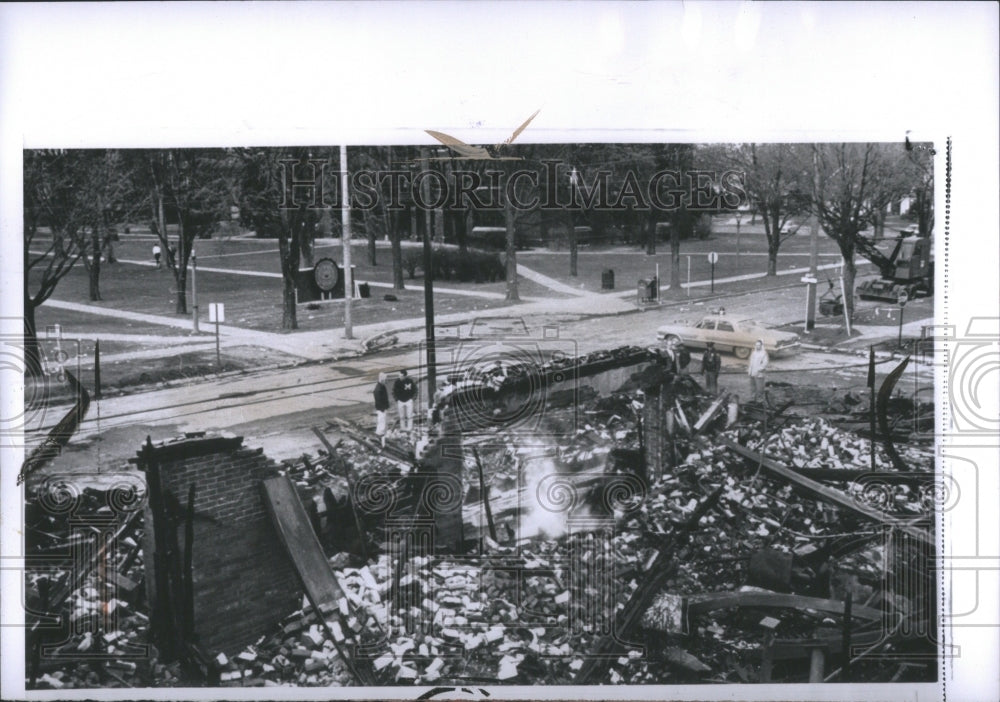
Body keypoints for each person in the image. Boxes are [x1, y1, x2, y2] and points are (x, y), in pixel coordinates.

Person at [392, 369, 417, 433]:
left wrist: (413, 398)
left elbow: (415, 389)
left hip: (409, 400)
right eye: (399, 375)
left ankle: (409, 428)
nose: (400, 377)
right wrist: (396, 399)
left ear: (405, 376)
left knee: (410, 416)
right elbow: (393, 391)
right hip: (400, 401)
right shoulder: (397, 382)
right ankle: (403, 428)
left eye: (401, 376)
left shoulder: (410, 381)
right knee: (401, 416)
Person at [373, 372, 390, 448]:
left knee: (382, 424)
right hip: (381, 409)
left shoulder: (381, 386)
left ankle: (380, 438)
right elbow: (378, 400)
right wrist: (383, 408)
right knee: (382, 425)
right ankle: (379, 439)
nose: (386, 381)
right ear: (382, 379)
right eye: (385, 379)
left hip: (382, 408)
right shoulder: (379, 389)